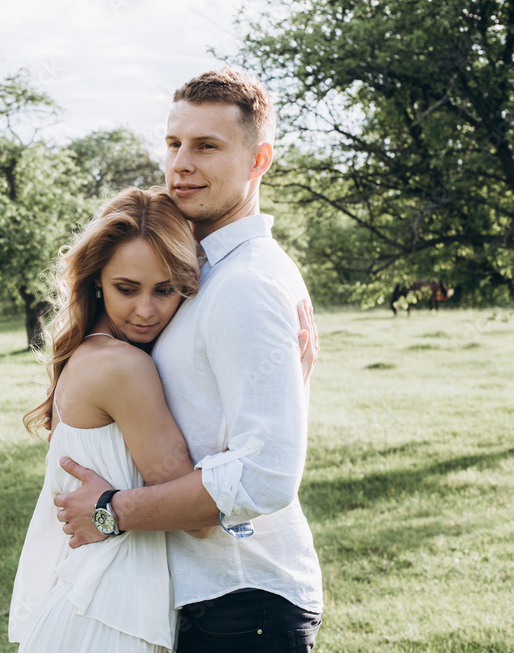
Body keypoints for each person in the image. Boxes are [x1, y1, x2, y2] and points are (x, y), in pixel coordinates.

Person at [53, 68, 324, 652]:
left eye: (207, 146)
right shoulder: (200, 271)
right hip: (204, 598)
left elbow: (266, 474)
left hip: (241, 601)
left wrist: (111, 511)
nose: (180, 163)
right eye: (174, 143)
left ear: (259, 161)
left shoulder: (246, 282)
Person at [9, 187, 318, 652]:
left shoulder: (91, 351)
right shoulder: (123, 368)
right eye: (126, 289)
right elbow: (200, 521)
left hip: (90, 598)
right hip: (111, 612)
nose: (147, 310)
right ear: (96, 281)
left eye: (166, 289)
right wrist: (284, 388)